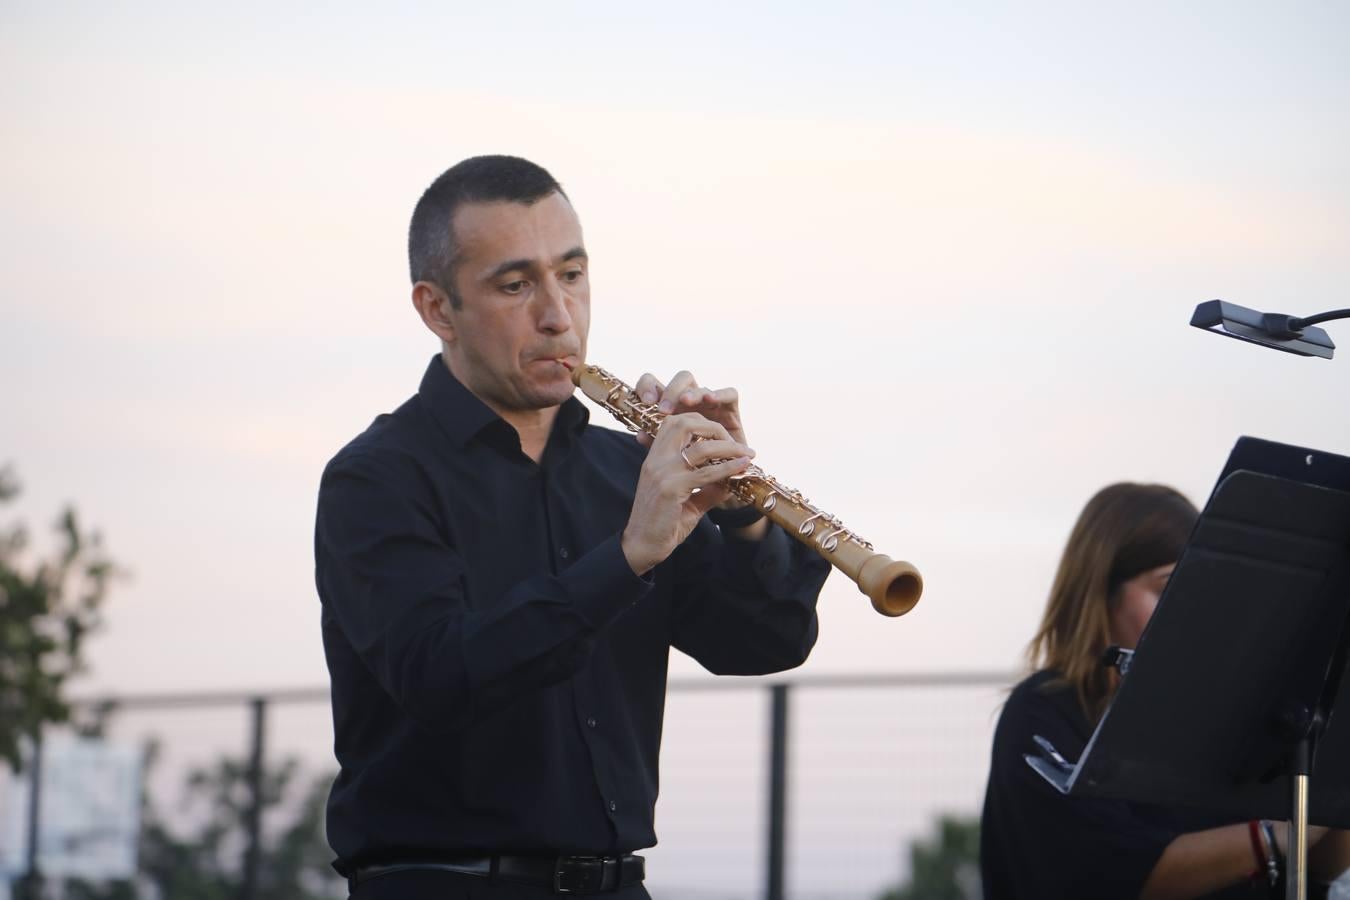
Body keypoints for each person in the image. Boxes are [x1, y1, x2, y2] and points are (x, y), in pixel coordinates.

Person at [313, 155, 830, 899]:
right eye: (516, 285)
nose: (558, 315)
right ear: (437, 310)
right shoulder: (377, 479)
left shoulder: (630, 471)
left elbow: (763, 642)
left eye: (573, 276)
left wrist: (743, 509)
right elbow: (441, 676)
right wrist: (625, 560)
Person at [980, 482, 1350, 899]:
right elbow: (1117, 877)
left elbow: (1316, 873)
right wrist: (1277, 833)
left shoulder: (1226, 717)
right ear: (1099, 594)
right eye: (1166, 587)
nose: (1190, 610)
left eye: (1200, 589)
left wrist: (1333, 798)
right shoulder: (1041, 713)